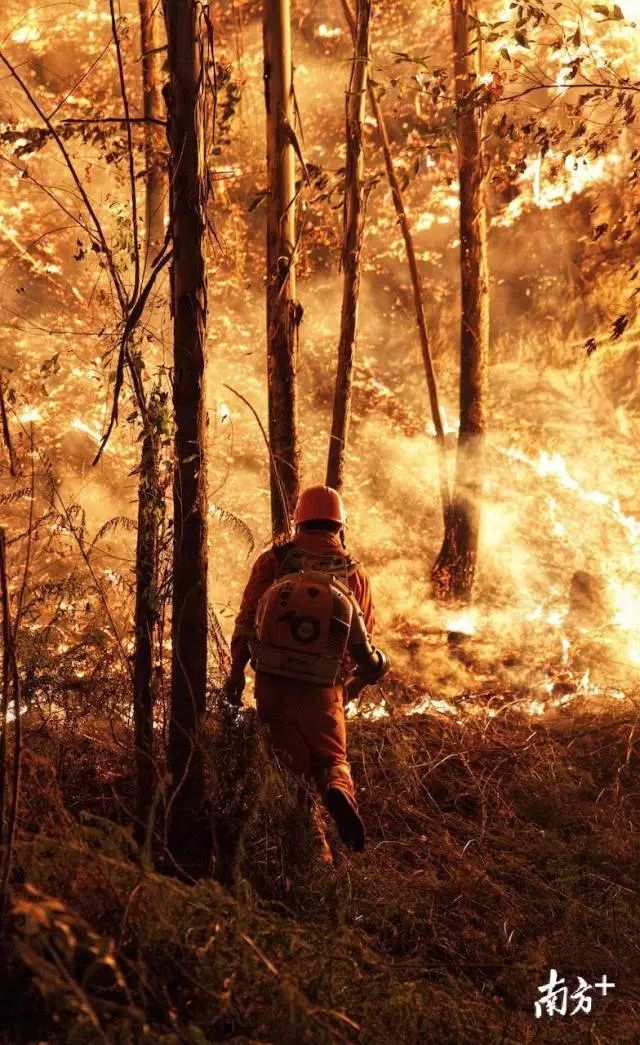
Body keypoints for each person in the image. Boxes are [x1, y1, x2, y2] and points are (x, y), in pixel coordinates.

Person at [224, 484, 388, 853]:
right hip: (323, 689)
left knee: (291, 771)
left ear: (298, 520)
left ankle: (313, 843)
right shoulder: (354, 574)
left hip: (272, 682)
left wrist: (236, 674)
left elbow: (247, 620)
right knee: (331, 757)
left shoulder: (274, 561)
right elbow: (363, 643)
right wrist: (351, 686)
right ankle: (336, 788)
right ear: (340, 525)